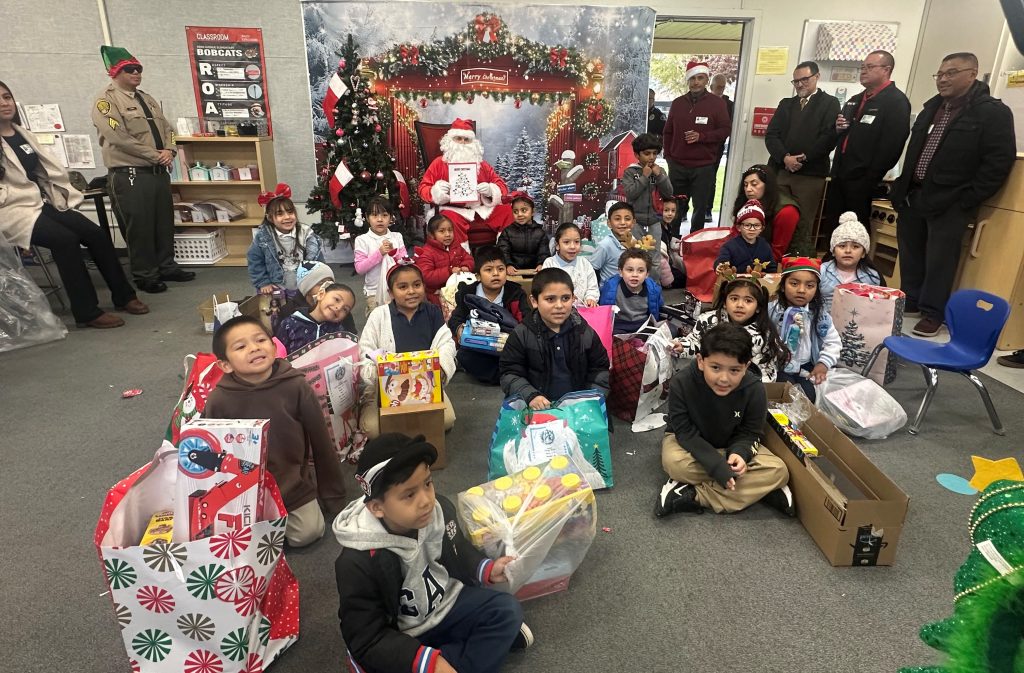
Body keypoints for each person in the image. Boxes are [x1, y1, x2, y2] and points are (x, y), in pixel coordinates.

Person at [334, 433, 532, 673]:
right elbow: (367, 635)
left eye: (427, 483)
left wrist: (486, 568)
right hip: (401, 632)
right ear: (377, 507)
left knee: (507, 610)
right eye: (409, 494)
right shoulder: (357, 562)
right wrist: (424, 661)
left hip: (443, 605)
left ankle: (448, 654)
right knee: (377, 655)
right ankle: (466, 651)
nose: (426, 500)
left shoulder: (439, 511)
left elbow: (458, 547)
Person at [0, 80, 146, 329]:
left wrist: (59, 193)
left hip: (40, 201)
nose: (5, 103)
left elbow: (43, 171)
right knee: (64, 240)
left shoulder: (23, 134)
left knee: (96, 233)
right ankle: (86, 312)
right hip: (12, 209)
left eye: (7, 97)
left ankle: (124, 296)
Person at [890, 52, 1016, 337]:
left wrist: (968, 199)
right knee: (911, 251)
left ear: (972, 74)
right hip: (914, 194)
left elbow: (999, 162)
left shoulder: (991, 112)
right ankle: (911, 300)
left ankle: (934, 312)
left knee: (940, 259)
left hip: (951, 200)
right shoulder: (931, 109)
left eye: (952, 73)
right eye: (940, 74)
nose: (943, 79)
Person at [204, 315, 347, 547]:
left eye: (260, 340)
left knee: (309, 533)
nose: (254, 348)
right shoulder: (219, 399)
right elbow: (210, 452)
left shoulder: (296, 385)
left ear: (274, 346)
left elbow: (321, 442)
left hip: (291, 484)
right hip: (243, 489)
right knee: (233, 540)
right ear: (225, 365)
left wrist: (333, 495)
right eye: (241, 346)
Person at [655, 322, 792, 518]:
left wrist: (740, 453)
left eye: (734, 370)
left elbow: (751, 432)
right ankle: (760, 490)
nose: (724, 378)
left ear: (746, 366)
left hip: (730, 445)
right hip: (689, 444)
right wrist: (716, 465)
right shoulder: (681, 382)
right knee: (675, 464)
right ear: (701, 361)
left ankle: (693, 495)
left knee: (779, 471)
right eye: (716, 367)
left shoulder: (755, 389)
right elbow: (684, 432)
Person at [91, 45, 195, 293]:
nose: (136, 73)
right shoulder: (106, 102)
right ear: (115, 72)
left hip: (157, 173)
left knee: (163, 223)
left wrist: (169, 150)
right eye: (130, 69)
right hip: (130, 174)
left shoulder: (146, 99)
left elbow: (168, 129)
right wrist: (155, 156)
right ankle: (145, 275)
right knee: (139, 227)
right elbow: (118, 136)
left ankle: (167, 267)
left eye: (139, 69)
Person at [359, 262, 456, 437]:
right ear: (391, 292)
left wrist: (440, 368)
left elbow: (446, 343)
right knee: (372, 430)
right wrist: (375, 371)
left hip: (424, 385)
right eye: (402, 287)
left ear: (423, 287)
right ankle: (368, 401)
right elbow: (366, 350)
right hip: (387, 388)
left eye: (417, 285)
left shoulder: (432, 312)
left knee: (447, 420)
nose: (411, 291)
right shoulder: (379, 316)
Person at [499, 268, 610, 409]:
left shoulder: (584, 332)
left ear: (573, 299)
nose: (559, 306)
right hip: (536, 408)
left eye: (565, 298)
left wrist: (591, 398)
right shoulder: (522, 334)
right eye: (550, 299)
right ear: (534, 301)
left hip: (579, 408)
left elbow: (599, 369)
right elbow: (509, 372)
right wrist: (530, 395)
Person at [829, 50, 911, 236]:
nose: (863, 71)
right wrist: (837, 128)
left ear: (886, 70)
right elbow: (842, 135)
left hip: (863, 178)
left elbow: (893, 144)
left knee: (856, 229)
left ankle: (856, 264)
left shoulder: (896, 101)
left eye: (870, 67)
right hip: (841, 174)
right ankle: (832, 262)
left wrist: (870, 176)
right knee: (834, 223)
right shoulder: (855, 100)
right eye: (862, 67)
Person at [764, 61, 840, 255]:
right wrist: (785, 158)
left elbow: (829, 137)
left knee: (803, 222)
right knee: (776, 216)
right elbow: (772, 135)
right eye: (796, 81)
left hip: (810, 175)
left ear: (816, 77)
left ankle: (799, 261)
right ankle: (774, 259)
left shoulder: (829, 103)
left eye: (804, 80)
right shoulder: (786, 104)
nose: (799, 85)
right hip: (781, 171)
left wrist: (803, 159)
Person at [418, 118, 513, 249]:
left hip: (480, 210)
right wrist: (437, 191)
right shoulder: (439, 163)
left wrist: (491, 190)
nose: (462, 143)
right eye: (458, 138)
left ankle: (504, 254)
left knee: (506, 211)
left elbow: (501, 186)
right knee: (448, 220)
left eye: (466, 140)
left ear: (473, 143)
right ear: (450, 141)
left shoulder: (482, 165)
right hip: (453, 210)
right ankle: (462, 262)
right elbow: (423, 188)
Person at [672, 275, 787, 382]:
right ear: (725, 303)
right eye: (734, 298)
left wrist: (757, 388)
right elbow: (696, 343)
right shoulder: (709, 321)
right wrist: (683, 347)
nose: (740, 305)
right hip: (712, 378)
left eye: (748, 300)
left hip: (747, 383)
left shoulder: (764, 331)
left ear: (758, 307)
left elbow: (767, 367)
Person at [662, 60, 731, 232]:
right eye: (692, 78)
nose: (696, 82)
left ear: (706, 80)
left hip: (703, 167)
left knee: (700, 208)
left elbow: (725, 130)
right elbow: (668, 131)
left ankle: (695, 243)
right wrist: (669, 157)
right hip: (677, 165)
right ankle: (672, 239)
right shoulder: (678, 103)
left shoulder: (718, 104)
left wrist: (702, 136)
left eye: (700, 78)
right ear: (688, 80)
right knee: (676, 206)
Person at [448, 246, 530, 385]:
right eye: (488, 270)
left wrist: (515, 338)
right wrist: (459, 329)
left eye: (500, 269)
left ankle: (505, 373)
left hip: (506, 345)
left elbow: (526, 319)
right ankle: (504, 376)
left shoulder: (515, 293)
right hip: (479, 345)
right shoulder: (468, 294)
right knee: (464, 355)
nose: (496, 273)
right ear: (478, 276)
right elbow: (455, 318)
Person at [768, 257, 841, 402]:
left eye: (810, 286)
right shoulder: (772, 310)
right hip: (777, 365)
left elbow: (834, 342)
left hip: (806, 366)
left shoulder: (819, 315)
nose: (801, 290)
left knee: (808, 399)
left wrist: (823, 363)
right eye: (794, 284)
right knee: (781, 394)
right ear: (783, 286)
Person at [247, 182, 324, 296]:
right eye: (280, 214)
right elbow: (255, 261)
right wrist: (263, 282)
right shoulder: (263, 237)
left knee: (304, 310)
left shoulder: (306, 234)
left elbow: (318, 259)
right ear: (270, 218)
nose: (287, 217)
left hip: (303, 284)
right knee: (278, 311)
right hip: (277, 286)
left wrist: (319, 280)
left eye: (290, 212)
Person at [731, 165, 800, 261]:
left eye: (754, 184)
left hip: (787, 262)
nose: (748, 189)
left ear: (767, 185)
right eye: (745, 185)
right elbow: (735, 234)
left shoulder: (787, 211)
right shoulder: (748, 202)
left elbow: (777, 252)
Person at [819, 212, 884, 313]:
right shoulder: (822, 271)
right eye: (842, 246)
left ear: (863, 253)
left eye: (855, 246)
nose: (848, 251)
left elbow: (875, 308)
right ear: (833, 251)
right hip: (823, 325)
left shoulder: (872, 277)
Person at [354, 196, 408, 316]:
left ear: (390, 218)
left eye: (384, 215)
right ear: (367, 218)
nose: (380, 219)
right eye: (374, 215)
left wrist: (394, 252)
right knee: (378, 324)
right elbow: (360, 268)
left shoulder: (397, 236)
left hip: (398, 289)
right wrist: (380, 253)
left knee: (399, 321)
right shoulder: (362, 240)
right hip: (374, 291)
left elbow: (405, 262)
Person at [276, 261, 358, 336]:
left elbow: (352, 338)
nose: (326, 286)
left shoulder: (340, 311)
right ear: (307, 288)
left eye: (330, 283)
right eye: (321, 283)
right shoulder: (288, 311)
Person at [622, 133, 674, 244]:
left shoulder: (660, 171)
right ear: (637, 155)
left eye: (654, 153)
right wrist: (644, 177)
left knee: (654, 255)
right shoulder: (630, 172)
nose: (651, 157)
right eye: (647, 153)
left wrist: (659, 176)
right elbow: (630, 194)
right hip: (634, 222)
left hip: (655, 221)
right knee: (635, 253)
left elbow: (668, 193)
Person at [275, 282, 357, 353]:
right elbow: (278, 353)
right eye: (337, 299)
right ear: (321, 295)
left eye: (345, 309)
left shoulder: (339, 331)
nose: (339, 308)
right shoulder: (290, 324)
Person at [414, 213, 474, 307]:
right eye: (442, 231)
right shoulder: (426, 252)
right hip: (437, 295)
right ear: (431, 234)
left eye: (450, 230)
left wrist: (466, 266)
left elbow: (468, 258)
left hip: (457, 290)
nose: (447, 234)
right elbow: (426, 276)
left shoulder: (456, 247)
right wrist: (449, 271)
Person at [599, 249, 664, 334]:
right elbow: (602, 309)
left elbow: (660, 308)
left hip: (643, 324)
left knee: (671, 330)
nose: (635, 275)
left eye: (640, 271)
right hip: (619, 325)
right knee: (613, 340)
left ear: (647, 274)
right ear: (621, 272)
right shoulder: (610, 288)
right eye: (630, 270)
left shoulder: (653, 289)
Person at [540, 223, 599, 306]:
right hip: (558, 309)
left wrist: (591, 298)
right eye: (566, 242)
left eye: (576, 242)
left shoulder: (584, 263)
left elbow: (592, 287)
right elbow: (545, 288)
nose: (572, 246)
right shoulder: (550, 263)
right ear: (557, 245)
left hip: (582, 310)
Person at [704, 73, 735, 224]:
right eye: (718, 87)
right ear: (711, 87)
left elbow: (727, 128)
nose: (720, 90)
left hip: (716, 149)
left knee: (710, 179)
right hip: (700, 147)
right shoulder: (704, 102)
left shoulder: (729, 105)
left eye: (723, 87)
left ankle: (707, 209)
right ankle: (683, 210)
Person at [495, 192, 549, 275]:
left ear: (533, 212)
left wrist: (541, 264)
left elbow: (543, 253)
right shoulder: (507, 232)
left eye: (524, 210)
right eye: (515, 211)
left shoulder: (540, 233)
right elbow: (503, 250)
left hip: (534, 274)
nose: (519, 214)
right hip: (513, 273)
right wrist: (508, 264)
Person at [715, 199, 777, 273]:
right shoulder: (729, 246)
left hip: (758, 283)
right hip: (735, 283)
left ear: (762, 228)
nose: (752, 229)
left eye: (756, 225)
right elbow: (722, 261)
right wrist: (719, 266)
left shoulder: (765, 246)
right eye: (747, 225)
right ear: (739, 227)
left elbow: (771, 268)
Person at [589, 201, 636, 283]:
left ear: (633, 223)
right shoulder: (604, 245)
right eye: (617, 219)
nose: (622, 223)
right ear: (609, 223)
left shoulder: (635, 242)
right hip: (610, 291)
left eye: (627, 219)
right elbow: (593, 270)